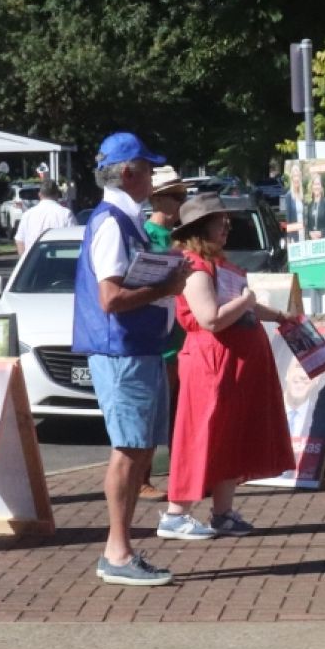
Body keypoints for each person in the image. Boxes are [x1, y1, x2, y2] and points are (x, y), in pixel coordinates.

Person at [71, 131, 188, 587]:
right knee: (128, 450)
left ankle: (121, 550)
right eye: (148, 168)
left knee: (137, 449)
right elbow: (111, 297)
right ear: (129, 173)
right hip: (123, 349)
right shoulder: (111, 222)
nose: (154, 177)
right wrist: (166, 287)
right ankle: (117, 552)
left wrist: (165, 278)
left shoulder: (125, 218)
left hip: (137, 348)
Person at [158, 193, 294, 540]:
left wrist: (279, 316)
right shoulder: (195, 267)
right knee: (202, 434)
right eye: (221, 221)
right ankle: (176, 513)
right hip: (211, 364)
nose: (227, 226)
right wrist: (246, 300)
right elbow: (211, 319)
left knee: (229, 437)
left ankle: (222, 512)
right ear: (202, 228)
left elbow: (244, 309)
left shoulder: (223, 265)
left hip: (234, 364)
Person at [138, 166, 189, 504]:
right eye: (173, 196)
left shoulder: (180, 237)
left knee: (179, 406)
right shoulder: (146, 234)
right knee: (154, 406)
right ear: (156, 197)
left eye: (182, 196)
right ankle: (141, 477)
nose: (179, 202)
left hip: (181, 329)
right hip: (157, 329)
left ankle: (182, 473)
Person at [14, 180, 75, 255]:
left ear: (39, 195)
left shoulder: (27, 215)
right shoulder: (66, 214)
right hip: (59, 262)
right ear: (57, 195)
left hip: (34, 263)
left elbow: (19, 241)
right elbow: (74, 240)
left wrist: (25, 262)